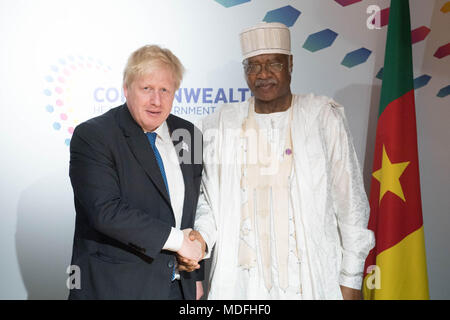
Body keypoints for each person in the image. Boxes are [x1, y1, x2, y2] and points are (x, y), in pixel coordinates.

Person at [184, 22, 375, 300]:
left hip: (312, 278)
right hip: (242, 282)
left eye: (273, 64)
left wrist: (351, 278)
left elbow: (351, 204)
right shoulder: (222, 123)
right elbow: (209, 203)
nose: (263, 75)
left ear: (290, 64)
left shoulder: (321, 116)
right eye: (253, 66)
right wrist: (200, 239)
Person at [68, 44, 205, 300]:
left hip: (179, 289)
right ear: (126, 89)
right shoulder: (94, 136)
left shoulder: (189, 135)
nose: (157, 100)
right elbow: (106, 211)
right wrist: (179, 241)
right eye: (147, 89)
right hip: (116, 289)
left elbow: (196, 207)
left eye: (165, 90)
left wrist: (195, 276)